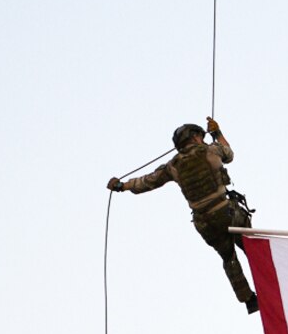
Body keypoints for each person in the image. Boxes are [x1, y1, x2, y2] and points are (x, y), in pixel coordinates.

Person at [109, 119, 258, 312]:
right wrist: (217, 133)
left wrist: (122, 186)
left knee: (228, 258)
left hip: (205, 223)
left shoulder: (173, 166)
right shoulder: (211, 151)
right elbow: (228, 154)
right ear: (195, 137)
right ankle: (268, 279)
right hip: (226, 212)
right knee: (251, 245)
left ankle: (249, 300)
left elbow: (146, 182)